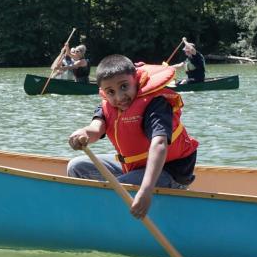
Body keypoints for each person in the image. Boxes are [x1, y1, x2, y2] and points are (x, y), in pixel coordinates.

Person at [67, 54, 199, 219]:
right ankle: (90, 215)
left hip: (170, 171)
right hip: (135, 168)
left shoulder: (155, 104)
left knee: (117, 188)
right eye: (111, 92)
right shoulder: (108, 106)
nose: (119, 97)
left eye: (124, 87)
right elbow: (95, 128)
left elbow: (159, 144)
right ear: (103, 91)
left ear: (135, 80)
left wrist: (146, 191)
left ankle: (108, 217)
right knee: (76, 166)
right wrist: (82, 134)